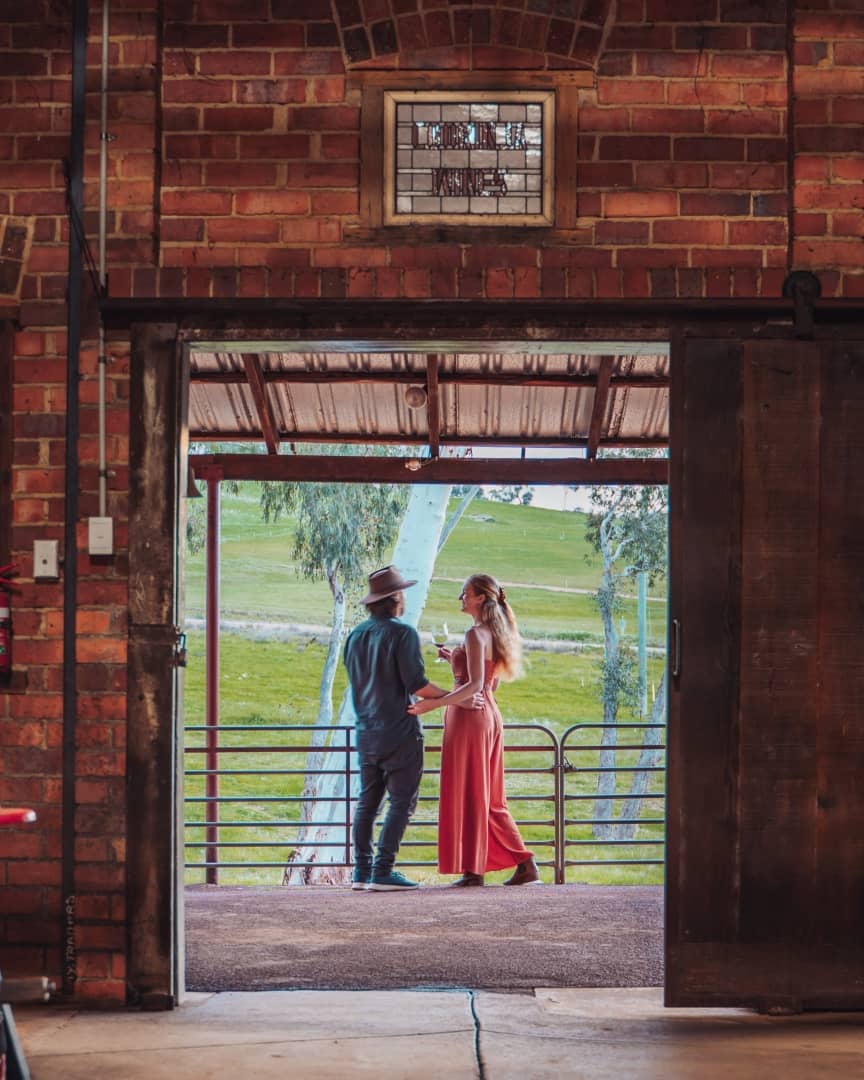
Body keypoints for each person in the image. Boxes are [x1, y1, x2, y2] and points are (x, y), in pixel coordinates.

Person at [408, 573, 539, 887]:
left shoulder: (473, 633)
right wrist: (455, 659)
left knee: (471, 790)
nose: (461, 598)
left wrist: (432, 704)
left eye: (465, 593)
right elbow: (489, 683)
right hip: (488, 715)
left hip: (471, 720)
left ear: (480, 598)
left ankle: (485, 868)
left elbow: (476, 684)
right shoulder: (493, 632)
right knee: (486, 794)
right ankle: (502, 865)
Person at [343, 565, 449, 892]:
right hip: (399, 732)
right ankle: (383, 870)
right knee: (402, 802)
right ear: (394, 599)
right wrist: (454, 696)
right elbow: (416, 683)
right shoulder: (403, 634)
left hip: (366, 732)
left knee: (367, 802)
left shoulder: (355, 635)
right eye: (401, 591)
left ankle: (362, 871)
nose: (404, 596)